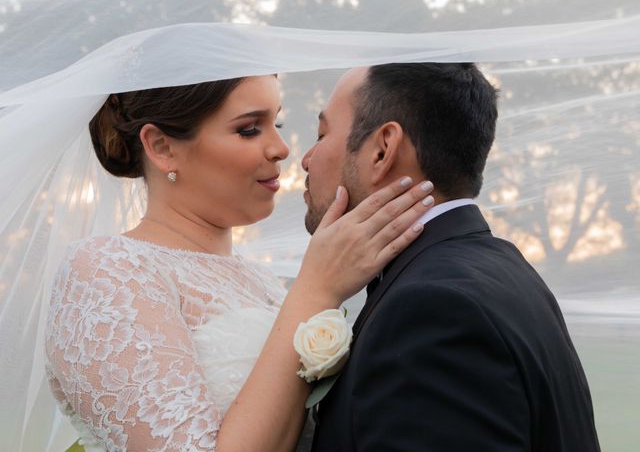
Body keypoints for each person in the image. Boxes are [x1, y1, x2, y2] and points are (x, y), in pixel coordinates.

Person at [44, 75, 436, 451]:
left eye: (277, 122)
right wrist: (316, 289)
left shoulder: (263, 282)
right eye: (249, 129)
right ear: (161, 147)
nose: (282, 148)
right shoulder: (106, 271)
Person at [304, 63, 601, 451]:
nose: (306, 159)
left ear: (382, 149)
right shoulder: (506, 269)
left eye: (321, 134)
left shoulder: (430, 309)